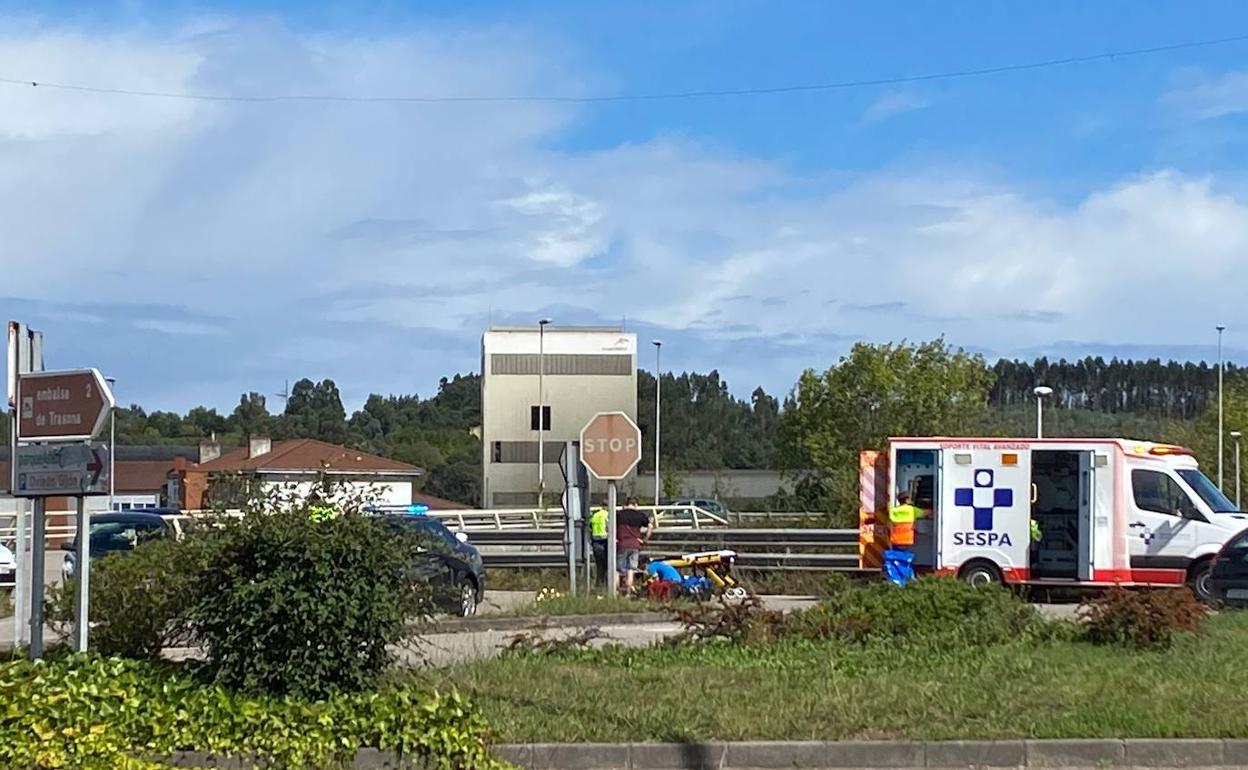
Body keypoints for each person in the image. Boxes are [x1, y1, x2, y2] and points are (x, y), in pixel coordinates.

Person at [616, 496, 652, 594]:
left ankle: (615, 592)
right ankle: (628, 592)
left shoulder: (619, 515)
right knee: (631, 569)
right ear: (636, 505)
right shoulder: (640, 515)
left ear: (626, 504)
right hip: (635, 545)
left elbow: (611, 526)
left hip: (622, 544)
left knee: (617, 570)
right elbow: (650, 526)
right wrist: (645, 539)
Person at [589, 506, 609, 587]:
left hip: (595, 540)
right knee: (607, 564)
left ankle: (599, 584)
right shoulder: (607, 514)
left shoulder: (595, 515)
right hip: (606, 540)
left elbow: (590, 526)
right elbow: (609, 526)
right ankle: (606, 585)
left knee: (599, 565)